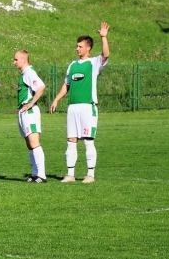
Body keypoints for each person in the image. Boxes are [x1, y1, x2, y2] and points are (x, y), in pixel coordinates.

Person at [49, 22, 110, 184]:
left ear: (88, 48)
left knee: (88, 141)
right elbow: (66, 85)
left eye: (80, 46)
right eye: (77, 46)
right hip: (73, 108)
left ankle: (90, 174)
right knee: (71, 140)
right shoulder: (72, 65)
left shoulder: (94, 63)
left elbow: (105, 55)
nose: (77, 49)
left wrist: (103, 37)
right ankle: (70, 174)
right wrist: (56, 99)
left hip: (87, 107)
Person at [13, 50, 47, 183]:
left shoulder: (29, 73)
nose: (14, 62)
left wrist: (31, 103)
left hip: (30, 113)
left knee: (34, 142)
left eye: (16, 59)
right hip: (23, 112)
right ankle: (34, 173)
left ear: (24, 60)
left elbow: (41, 87)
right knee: (29, 144)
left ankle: (42, 175)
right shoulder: (24, 74)